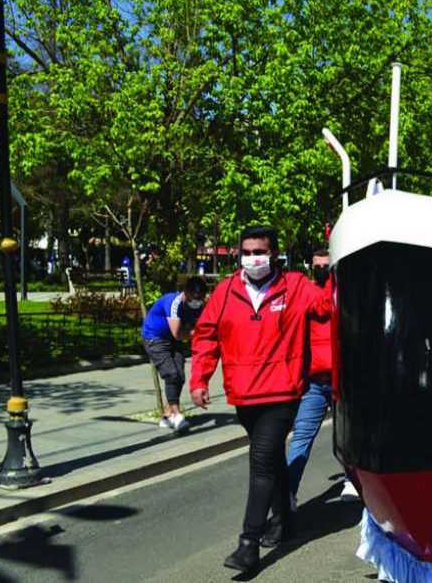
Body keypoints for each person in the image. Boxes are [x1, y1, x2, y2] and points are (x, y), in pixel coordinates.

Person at [190, 226, 331, 573]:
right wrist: (199, 379)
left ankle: (248, 543)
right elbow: (206, 335)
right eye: (248, 251)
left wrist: (337, 269)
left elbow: (327, 307)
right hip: (244, 394)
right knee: (272, 463)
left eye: (261, 251)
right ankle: (284, 521)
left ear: (274, 254)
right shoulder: (225, 291)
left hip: (282, 392)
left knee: (263, 461)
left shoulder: (296, 286)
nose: (254, 258)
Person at [286, 249, 359, 507]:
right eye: (317, 266)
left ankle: (354, 481)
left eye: (326, 266)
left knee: (349, 436)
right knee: (302, 437)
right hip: (316, 381)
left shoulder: (343, 290)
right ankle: (288, 493)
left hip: (342, 378)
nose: (321, 270)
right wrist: (335, 280)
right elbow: (322, 306)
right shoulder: (310, 291)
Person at [141, 276, 207, 431]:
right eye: (194, 297)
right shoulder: (174, 303)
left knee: (180, 376)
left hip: (172, 340)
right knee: (171, 374)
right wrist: (197, 331)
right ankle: (176, 415)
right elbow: (178, 333)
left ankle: (166, 416)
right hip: (155, 338)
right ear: (186, 292)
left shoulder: (199, 306)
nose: (197, 301)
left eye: (200, 298)